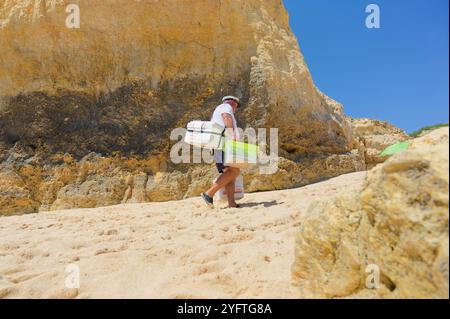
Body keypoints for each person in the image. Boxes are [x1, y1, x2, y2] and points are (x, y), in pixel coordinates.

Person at [201, 96, 241, 209]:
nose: (235, 109)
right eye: (236, 106)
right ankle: (209, 194)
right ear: (233, 103)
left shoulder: (218, 109)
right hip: (222, 144)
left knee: (229, 173)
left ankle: (231, 203)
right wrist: (232, 135)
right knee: (234, 171)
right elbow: (226, 117)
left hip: (218, 145)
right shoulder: (226, 107)